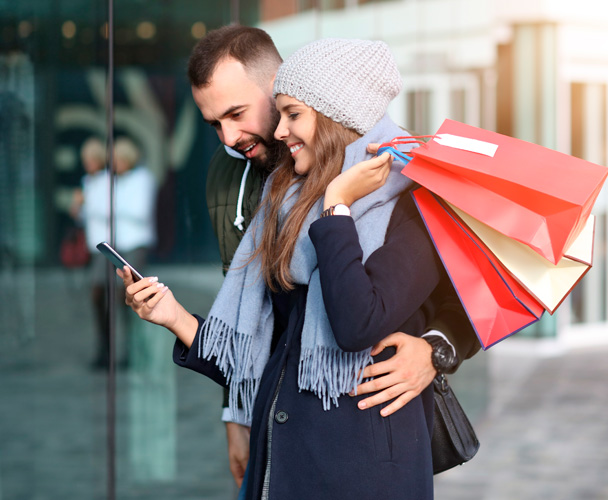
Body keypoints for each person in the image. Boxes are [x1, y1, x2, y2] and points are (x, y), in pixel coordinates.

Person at [121, 37, 471, 499]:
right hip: (282, 463)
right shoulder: (286, 198)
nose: (282, 132)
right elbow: (267, 354)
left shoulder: (412, 201)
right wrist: (173, 317)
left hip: (362, 473)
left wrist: (339, 206)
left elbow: (358, 322)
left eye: (293, 114)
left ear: (336, 114)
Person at [72, 136, 157, 369]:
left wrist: (95, 205)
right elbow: (97, 213)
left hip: (134, 244)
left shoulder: (141, 179)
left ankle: (134, 350)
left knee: (127, 299)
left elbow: (137, 211)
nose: (115, 164)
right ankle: (107, 350)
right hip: (114, 245)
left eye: (119, 159)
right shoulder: (110, 181)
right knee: (101, 295)